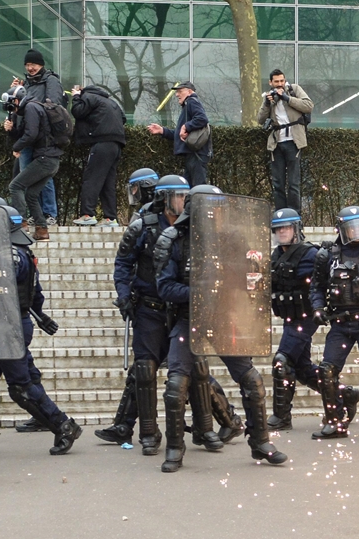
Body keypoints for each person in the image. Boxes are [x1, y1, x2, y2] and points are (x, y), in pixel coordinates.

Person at [98, 172, 241, 454]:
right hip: (150, 307)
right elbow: (123, 264)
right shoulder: (142, 227)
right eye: (178, 196)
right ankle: (148, 434)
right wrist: (124, 296)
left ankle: (209, 427)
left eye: (186, 197)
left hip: (182, 308)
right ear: (165, 199)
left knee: (195, 370)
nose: (183, 201)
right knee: (145, 369)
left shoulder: (195, 227)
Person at [153, 184, 287, 472]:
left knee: (251, 379)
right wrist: (200, 291)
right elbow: (164, 287)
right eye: (210, 209)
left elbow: (251, 279)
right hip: (189, 320)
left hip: (225, 317)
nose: (215, 215)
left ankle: (261, 442)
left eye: (220, 209)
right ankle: (175, 448)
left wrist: (256, 277)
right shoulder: (174, 239)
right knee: (176, 385)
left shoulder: (233, 239)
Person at [0, 205, 82, 456]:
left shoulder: (10, 255)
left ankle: (63, 425)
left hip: (7, 326)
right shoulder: (14, 252)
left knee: (21, 387)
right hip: (1, 324)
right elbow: (34, 295)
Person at [309, 205, 359, 440]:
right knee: (326, 371)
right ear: (341, 229)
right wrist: (318, 307)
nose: (356, 232)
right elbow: (316, 287)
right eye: (351, 227)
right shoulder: (328, 255)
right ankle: (335, 420)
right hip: (339, 324)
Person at [266, 208, 324, 430]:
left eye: (286, 228)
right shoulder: (276, 254)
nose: (281, 232)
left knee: (282, 361)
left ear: (296, 229)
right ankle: (345, 396)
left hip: (305, 317)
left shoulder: (310, 254)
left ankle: (282, 417)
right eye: (278, 228)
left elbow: (321, 284)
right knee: (302, 368)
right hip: (290, 317)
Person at [4, 85, 63, 241]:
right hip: (51, 160)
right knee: (31, 194)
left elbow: (31, 135)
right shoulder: (32, 107)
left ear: (17, 100)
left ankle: (20, 225)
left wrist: (16, 147)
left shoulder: (31, 107)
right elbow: (25, 133)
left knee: (15, 186)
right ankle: (42, 230)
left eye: (12, 102)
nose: (11, 106)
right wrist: (11, 130)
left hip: (45, 158)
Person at [14, 49, 61, 228]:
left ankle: (49, 214)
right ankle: (36, 214)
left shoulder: (50, 80)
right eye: (27, 65)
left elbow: (54, 105)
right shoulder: (26, 84)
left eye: (33, 64)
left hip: (43, 139)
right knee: (26, 176)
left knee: (44, 178)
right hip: (28, 136)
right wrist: (16, 92)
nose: (30, 68)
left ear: (41, 64)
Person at [70, 84, 127, 226]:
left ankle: (88, 214)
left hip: (102, 143)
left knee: (92, 178)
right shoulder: (111, 102)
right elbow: (123, 118)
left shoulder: (88, 97)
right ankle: (110, 218)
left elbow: (77, 111)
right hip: (116, 144)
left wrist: (76, 97)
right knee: (108, 182)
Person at [257, 69, 313, 212]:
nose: (280, 84)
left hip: (294, 141)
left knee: (293, 184)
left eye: (282, 81)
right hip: (276, 143)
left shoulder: (294, 89)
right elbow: (260, 119)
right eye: (276, 82)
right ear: (271, 83)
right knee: (278, 184)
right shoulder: (269, 97)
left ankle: (294, 217)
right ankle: (281, 216)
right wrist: (267, 103)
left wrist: (287, 98)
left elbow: (308, 106)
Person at [146, 81, 210, 188]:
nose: (177, 95)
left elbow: (202, 118)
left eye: (180, 91)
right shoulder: (188, 106)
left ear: (190, 92)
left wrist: (186, 126)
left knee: (198, 189)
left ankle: (199, 205)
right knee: (188, 188)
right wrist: (162, 131)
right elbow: (179, 134)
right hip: (193, 154)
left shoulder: (192, 101)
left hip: (196, 155)